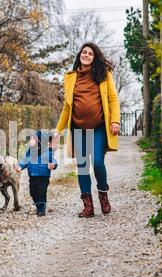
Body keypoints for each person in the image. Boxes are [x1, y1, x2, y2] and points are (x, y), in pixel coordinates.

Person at [52, 42, 120, 218]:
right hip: (79, 128)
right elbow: (67, 107)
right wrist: (58, 129)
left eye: (90, 53)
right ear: (79, 55)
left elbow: (113, 99)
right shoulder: (70, 77)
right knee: (82, 167)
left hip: (98, 127)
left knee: (97, 162)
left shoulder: (104, 75)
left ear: (94, 57)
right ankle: (88, 206)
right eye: (84, 52)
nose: (87, 55)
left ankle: (103, 194)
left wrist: (115, 121)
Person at [17, 130, 58, 216]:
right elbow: (25, 160)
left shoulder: (47, 151)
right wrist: (20, 166)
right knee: (33, 192)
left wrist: (53, 165)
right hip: (32, 176)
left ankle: (41, 209)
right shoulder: (30, 151)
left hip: (44, 176)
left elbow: (53, 160)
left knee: (42, 192)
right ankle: (38, 204)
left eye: (33, 139)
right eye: (31, 139)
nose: (31, 141)